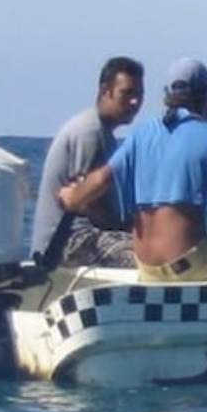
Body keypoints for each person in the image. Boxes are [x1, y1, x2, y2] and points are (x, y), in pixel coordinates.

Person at [60, 59, 207, 283]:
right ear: (206, 95)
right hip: (189, 265)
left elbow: (101, 179)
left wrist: (72, 197)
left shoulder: (141, 133)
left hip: (147, 266)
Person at [30, 56, 144, 269]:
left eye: (139, 95)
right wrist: (122, 228)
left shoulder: (104, 133)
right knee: (149, 258)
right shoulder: (89, 132)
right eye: (127, 93)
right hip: (66, 242)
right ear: (105, 91)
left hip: (85, 235)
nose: (135, 102)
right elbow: (88, 201)